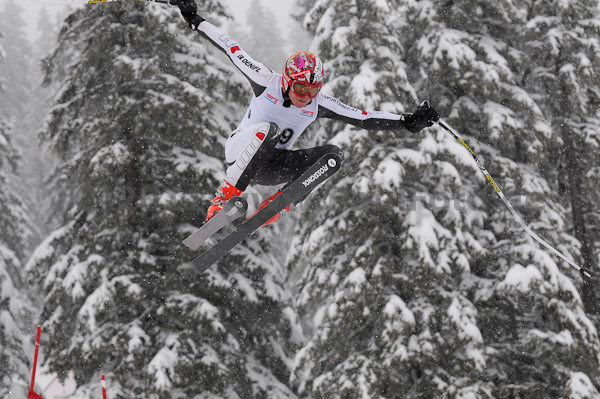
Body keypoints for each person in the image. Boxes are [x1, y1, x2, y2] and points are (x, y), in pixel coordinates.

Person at [171, 0, 440, 226]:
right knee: (269, 131)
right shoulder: (266, 81)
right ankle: (222, 198)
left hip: (272, 167)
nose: (306, 96)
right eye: (301, 87)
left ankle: (278, 206)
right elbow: (231, 48)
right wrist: (194, 19)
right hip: (240, 154)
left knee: (332, 156)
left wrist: (408, 122)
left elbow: (363, 118)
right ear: (288, 80)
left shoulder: (317, 103)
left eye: (313, 90)